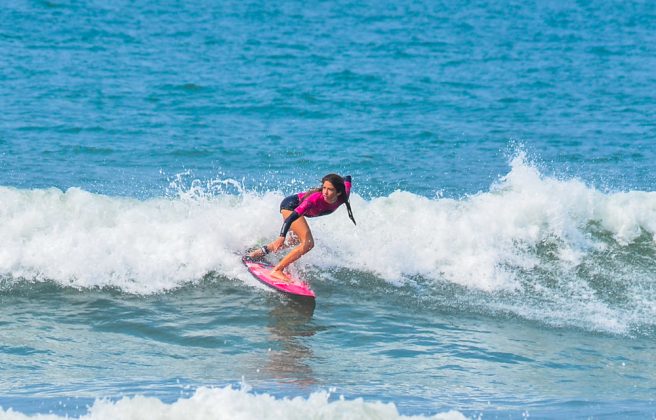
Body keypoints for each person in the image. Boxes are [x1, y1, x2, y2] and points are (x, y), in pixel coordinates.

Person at [248, 173, 356, 281]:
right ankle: (277, 270)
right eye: (324, 188)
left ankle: (259, 252)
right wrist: (281, 236)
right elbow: (292, 217)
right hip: (290, 207)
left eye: (330, 189)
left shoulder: (344, 195)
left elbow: (348, 178)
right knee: (308, 243)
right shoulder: (314, 199)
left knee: (294, 241)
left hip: (297, 211)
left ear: (339, 192)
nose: (325, 192)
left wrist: (337, 179)